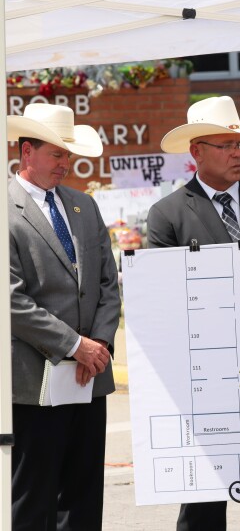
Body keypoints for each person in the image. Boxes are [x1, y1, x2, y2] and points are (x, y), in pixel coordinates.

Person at [147, 96, 240, 531]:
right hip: (206, 374)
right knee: (205, 496)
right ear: (196, 151)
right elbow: (165, 300)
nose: (237, 153)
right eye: (226, 144)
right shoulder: (168, 215)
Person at [8, 103, 120, 530]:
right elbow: (11, 299)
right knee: (34, 494)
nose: (65, 163)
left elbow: (108, 283)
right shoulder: (6, 208)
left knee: (83, 494)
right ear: (26, 152)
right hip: (34, 381)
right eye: (56, 153)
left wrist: (100, 345)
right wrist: (76, 346)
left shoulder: (82, 206)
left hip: (89, 377)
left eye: (67, 154)